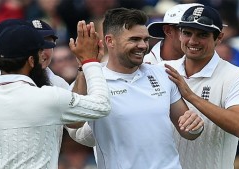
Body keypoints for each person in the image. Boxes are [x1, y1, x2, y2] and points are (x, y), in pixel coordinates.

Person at [66, 8, 204, 169]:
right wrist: (86, 65)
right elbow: (74, 122)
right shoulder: (92, 80)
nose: (143, 46)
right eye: (134, 39)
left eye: (145, 39)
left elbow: (188, 131)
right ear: (110, 41)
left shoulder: (163, 74)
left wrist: (195, 126)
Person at [0, 21, 111, 169]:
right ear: (31, 61)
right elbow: (101, 105)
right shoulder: (49, 96)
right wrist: (90, 62)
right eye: (39, 52)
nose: (44, 55)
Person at [161, 5, 239, 169]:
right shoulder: (162, 69)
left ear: (219, 38)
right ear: (179, 34)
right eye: (187, 33)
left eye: (202, 34)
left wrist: (190, 96)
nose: (193, 41)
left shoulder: (235, 75)